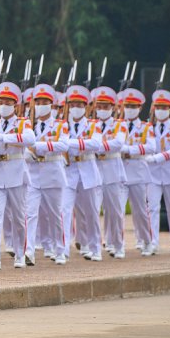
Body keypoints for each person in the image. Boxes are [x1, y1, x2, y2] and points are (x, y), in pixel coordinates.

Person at [0, 82, 35, 270]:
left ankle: (21, 253)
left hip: (16, 173)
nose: (4, 105)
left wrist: (7, 138)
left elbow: (31, 139)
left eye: (8, 102)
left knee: (19, 217)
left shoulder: (22, 122)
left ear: (15, 105)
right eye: (1, 102)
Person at [25, 83, 69, 265]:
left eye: (45, 101)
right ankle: (28, 251)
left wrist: (38, 146)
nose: (41, 104)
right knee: (30, 213)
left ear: (51, 104)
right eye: (38, 101)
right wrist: (27, 153)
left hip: (53, 173)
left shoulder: (60, 125)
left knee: (54, 214)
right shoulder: (29, 124)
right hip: (33, 174)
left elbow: (63, 146)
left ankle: (60, 249)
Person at [62, 85, 103, 262]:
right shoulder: (62, 124)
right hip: (69, 171)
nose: (76, 108)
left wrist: (71, 143)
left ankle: (95, 248)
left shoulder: (94, 124)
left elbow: (96, 144)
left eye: (79, 104)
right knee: (64, 211)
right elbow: (59, 143)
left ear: (86, 107)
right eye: (73, 104)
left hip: (87, 171)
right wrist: (79, 143)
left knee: (91, 213)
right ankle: (62, 250)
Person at [146, 90, 170, 254]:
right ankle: (152, 242)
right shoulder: (148, 127)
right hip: (153, 175)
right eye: (158, 107)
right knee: (152, 208)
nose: (160, 110)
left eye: (164, 107)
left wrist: (157, 158)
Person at [118, 89, 156, 255]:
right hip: (119, 171)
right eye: (127, 105)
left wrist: (128, 149)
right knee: (117, 209)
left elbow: (151, 147)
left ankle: (147, 241)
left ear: (140, 108)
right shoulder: (117, 124)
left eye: (133, 106)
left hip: (138, 171)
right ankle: (118, 244)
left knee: (140, 210)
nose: (130, 109)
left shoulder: (146, 127)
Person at [91, 86, 128, 259]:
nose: (102, 110)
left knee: (115, 211)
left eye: (106, 107)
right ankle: (96, 247)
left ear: (113, 108)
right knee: (93, 209)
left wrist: (95, 145)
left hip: (113, 170)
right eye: (99, 106)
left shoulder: (119, 124)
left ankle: (118, 245)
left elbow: (118, 144)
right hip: (95, 170)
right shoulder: (91, 124)